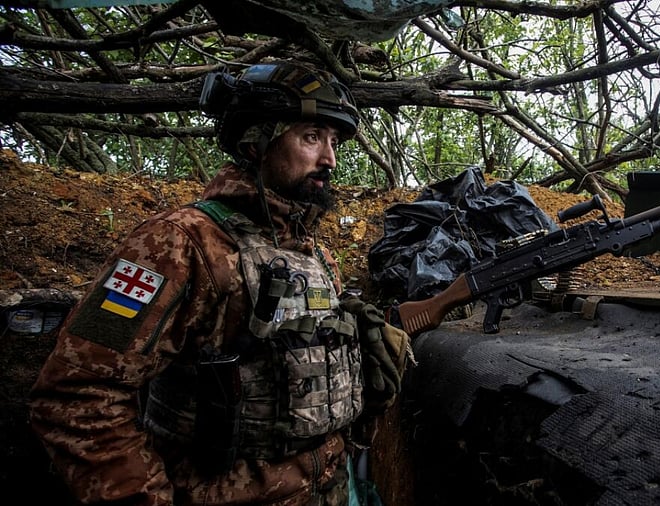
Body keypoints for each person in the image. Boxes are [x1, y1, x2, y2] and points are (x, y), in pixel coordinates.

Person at [29, 61, 410, 506]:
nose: (330, 159)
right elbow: (77, 397)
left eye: (334, 141)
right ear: (255, 142)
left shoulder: (314, 254)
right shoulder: (177, 243)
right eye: (311, 136)